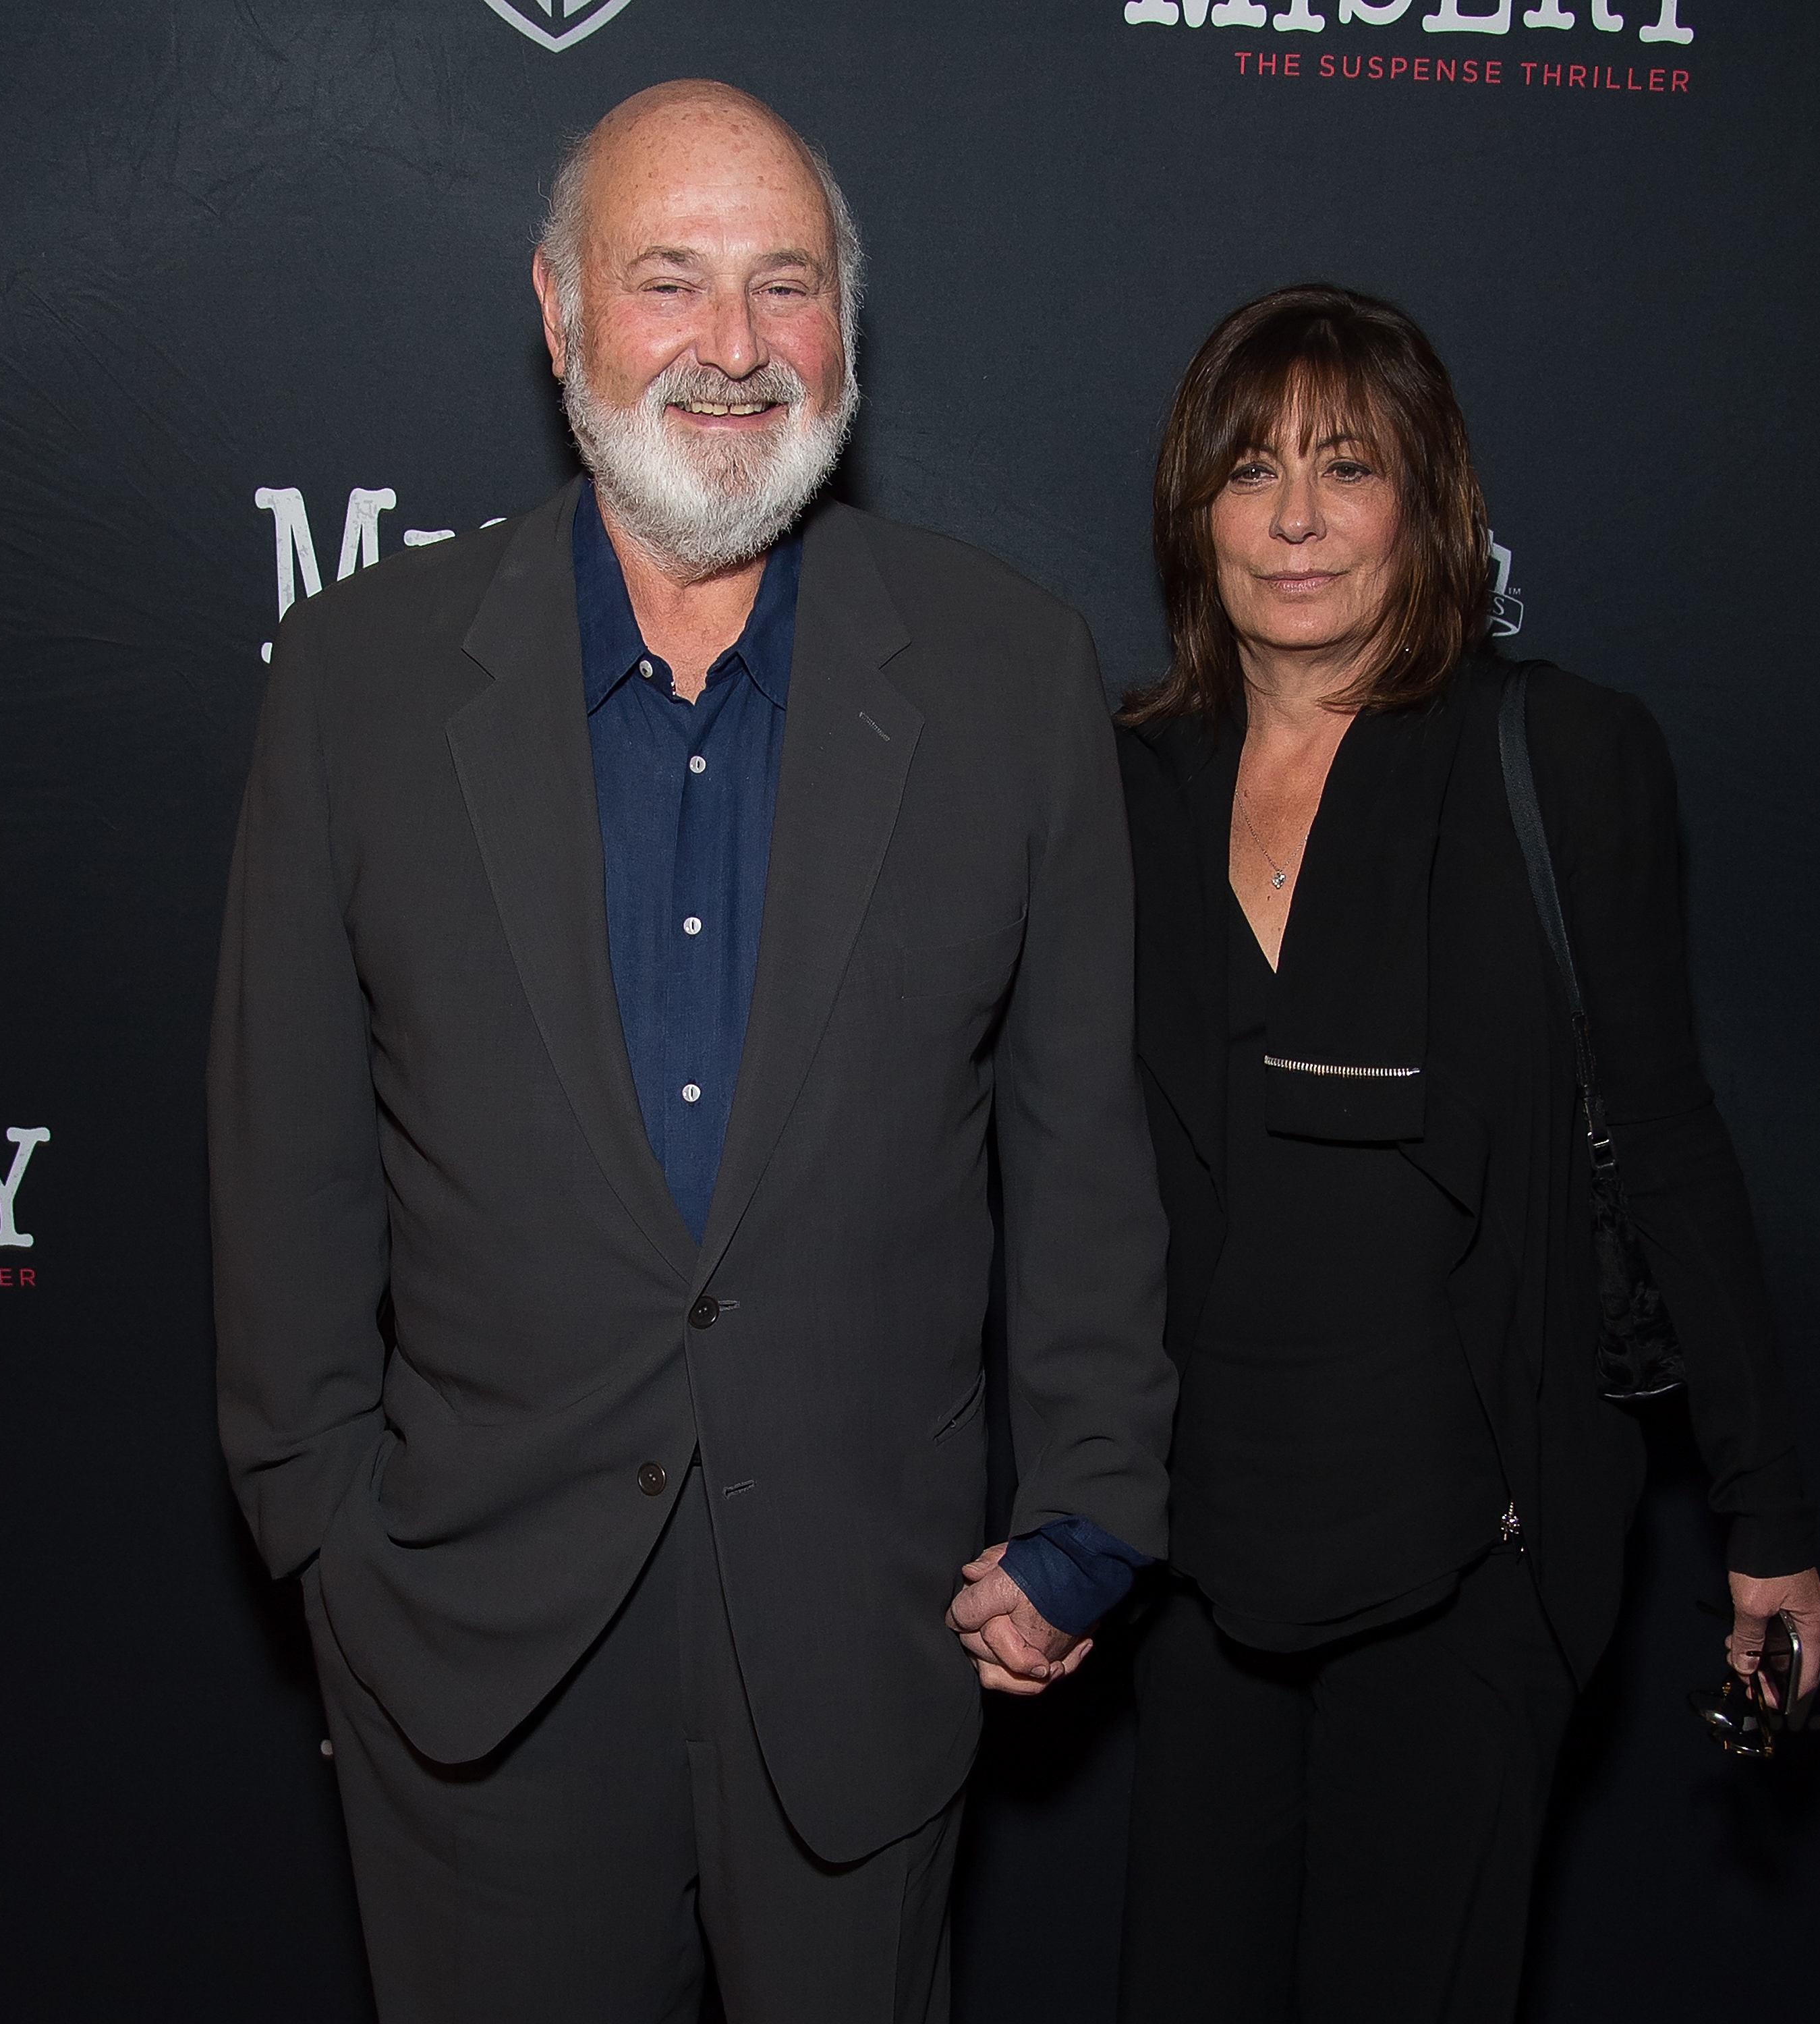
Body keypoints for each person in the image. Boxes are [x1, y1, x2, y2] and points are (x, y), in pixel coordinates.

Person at [208, 80, 1174, 2024]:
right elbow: (283, 1161)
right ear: (560, 313)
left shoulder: (1010, 676)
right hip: (471, 1657)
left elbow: (1082, 1152)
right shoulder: (359, 684)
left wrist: (1090, 1516)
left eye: (785, 286)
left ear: (848, 331)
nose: (734, 348)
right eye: (671, 282)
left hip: (871, 1644)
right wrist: (329, 1540)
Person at [1114, 283, 1820, 2023]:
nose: (1292, 520)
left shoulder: (1560, 756)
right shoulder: (1121, 781)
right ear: (1189, 510)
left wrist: (1767, 1516)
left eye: (1345, 469)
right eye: (1249, 470)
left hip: (1475, 1551)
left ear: (1430, 504)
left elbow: (1665, 1139)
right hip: (1200, 1559)